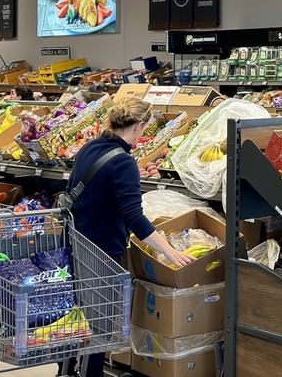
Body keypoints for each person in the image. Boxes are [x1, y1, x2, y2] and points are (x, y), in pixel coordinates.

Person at [58, 97, 195, 377]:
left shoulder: (91, 147)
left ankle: (66, 371)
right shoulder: (123, 163)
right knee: (100, 321)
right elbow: (133, 215)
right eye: (144, 128)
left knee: (81, 316)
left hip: (77, 240)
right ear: (139, 125)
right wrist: (170, 251)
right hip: (101, 249)